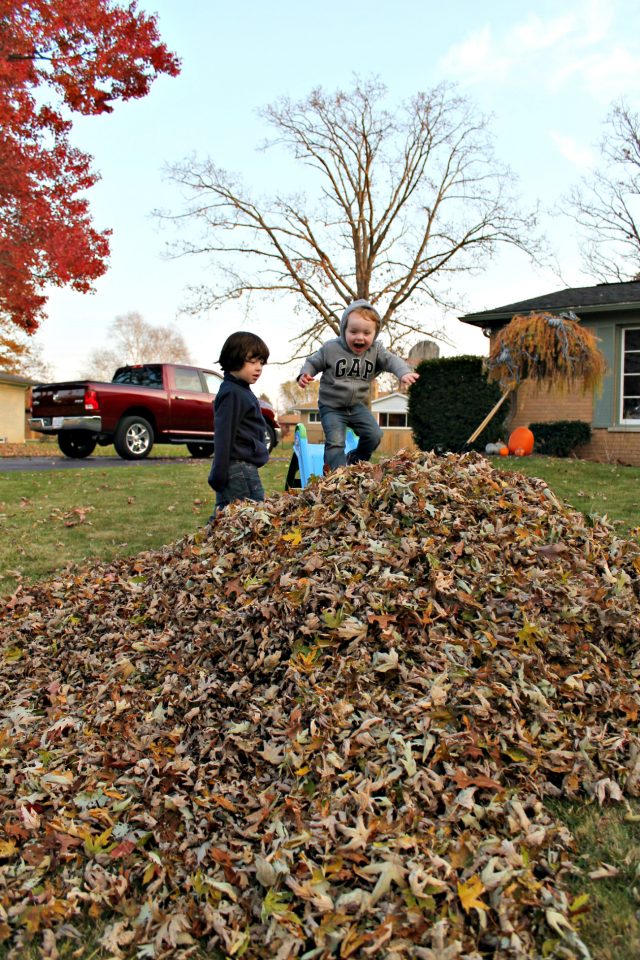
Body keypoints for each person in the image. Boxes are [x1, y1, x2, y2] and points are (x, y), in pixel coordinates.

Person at [297, 300, 419, 470]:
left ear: (375, 334)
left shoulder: (376, 351)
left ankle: (355, 459)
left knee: (374, 434)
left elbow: (391, 360)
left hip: (356, 406)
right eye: (353, 331)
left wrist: (403, 372)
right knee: (335, 442)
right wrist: (305, 373)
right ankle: (336, 476)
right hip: (332, 407)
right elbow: (313, 362)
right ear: (344, 330)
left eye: (366, 333)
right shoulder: (331, 348)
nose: (359, 337)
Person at [208, 331, 270, 517]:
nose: (258, 368)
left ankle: (203, 546)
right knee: (253, 520)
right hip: (239, 470)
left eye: (261, 362)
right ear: (234, 358)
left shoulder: (240, 390)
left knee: (223, 519)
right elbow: (223, 435)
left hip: (239, 469)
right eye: (252, 362)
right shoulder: (232, 393)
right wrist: (218, 473)